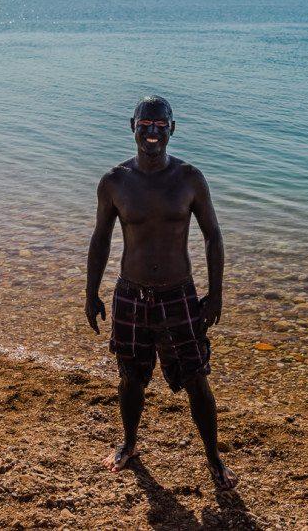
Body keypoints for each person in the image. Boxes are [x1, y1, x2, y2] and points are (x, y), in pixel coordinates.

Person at [85, 95, 237, 490]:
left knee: (196, 377)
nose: (152, 132)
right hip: (130, 296)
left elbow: (213, 236)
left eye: (160, 125)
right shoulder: (115, 181)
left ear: (173, 128)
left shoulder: (189, 178)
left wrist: (216, 294)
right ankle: (129, 444)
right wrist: (91, 292)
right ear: (132, 126)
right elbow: (100, 240)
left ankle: (214, 458)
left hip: (178, 295)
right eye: (145, 124)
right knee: (130, 377)